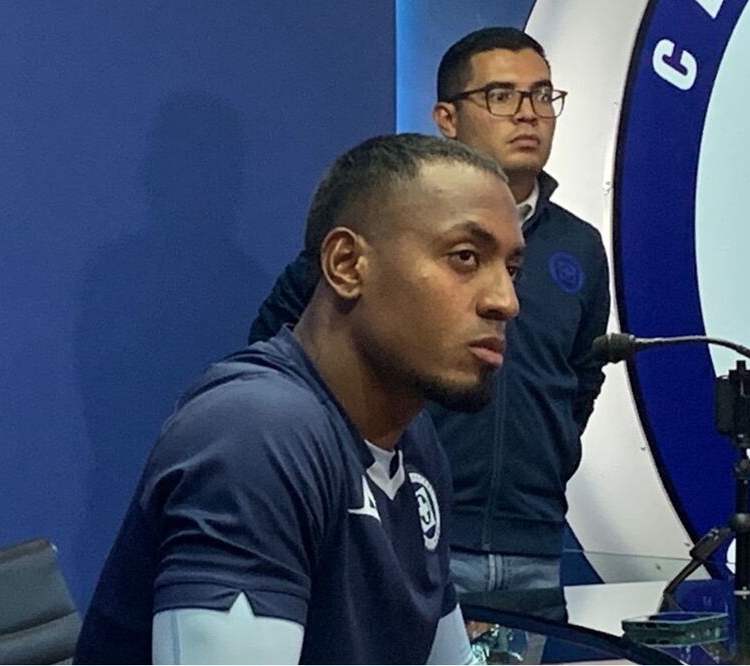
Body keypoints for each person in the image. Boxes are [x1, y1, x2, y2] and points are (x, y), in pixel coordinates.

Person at [74, 133, 525, 664]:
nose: (505, 301)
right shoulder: (255, 433)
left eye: (512, 269)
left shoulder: (415, 442)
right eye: (465, 257)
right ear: (346, 264)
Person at [250, 27, 611, 594]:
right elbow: (286, 345)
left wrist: (547, 458)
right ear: (447, 117)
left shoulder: (580, 247)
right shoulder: (391, 221)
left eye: (542, 96)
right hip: (411, 522)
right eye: (501, 96)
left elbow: (582, 380)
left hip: (535, 543)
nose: (528, 114)